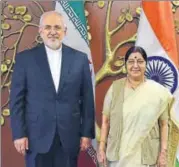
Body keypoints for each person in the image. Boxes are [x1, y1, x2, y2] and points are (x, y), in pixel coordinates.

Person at [10, 11, 95, 167]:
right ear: (41, 30)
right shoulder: (25, 59)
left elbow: (87, 99)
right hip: (35, 138)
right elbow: (16, 101)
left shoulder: (80, 59)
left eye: (57, 27)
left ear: (65, 31)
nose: (53, 32)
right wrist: (19, 134)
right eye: (48, 27)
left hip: (69, 136)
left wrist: (86, 133)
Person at [97, 46, 175, 167]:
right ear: (125, 64)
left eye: (140, 61)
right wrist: (101, 148)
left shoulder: (158, 92)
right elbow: (105, 121)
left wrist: (163, 153)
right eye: (131, 61)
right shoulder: (115, 89)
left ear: (146, 64)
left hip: (146, 156)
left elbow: (164, 124)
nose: (135, 66)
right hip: (118, 156)